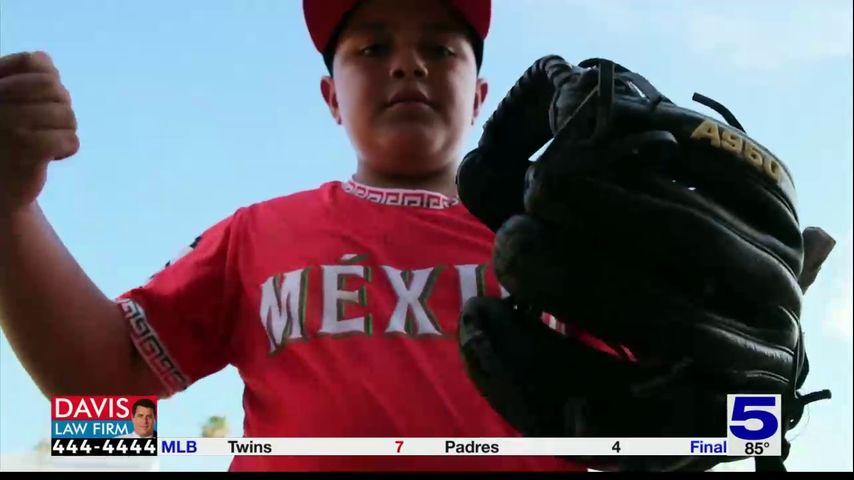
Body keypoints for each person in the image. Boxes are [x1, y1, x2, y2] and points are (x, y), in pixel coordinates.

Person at [0, 0, 583, 472]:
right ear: (331, 98)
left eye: (439, 48)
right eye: (374, 48)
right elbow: (107, 399)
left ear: (480, 96)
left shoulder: (562, 244)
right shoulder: (256, 235)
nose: (409, 64)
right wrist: (11, 209)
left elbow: (657, 415)